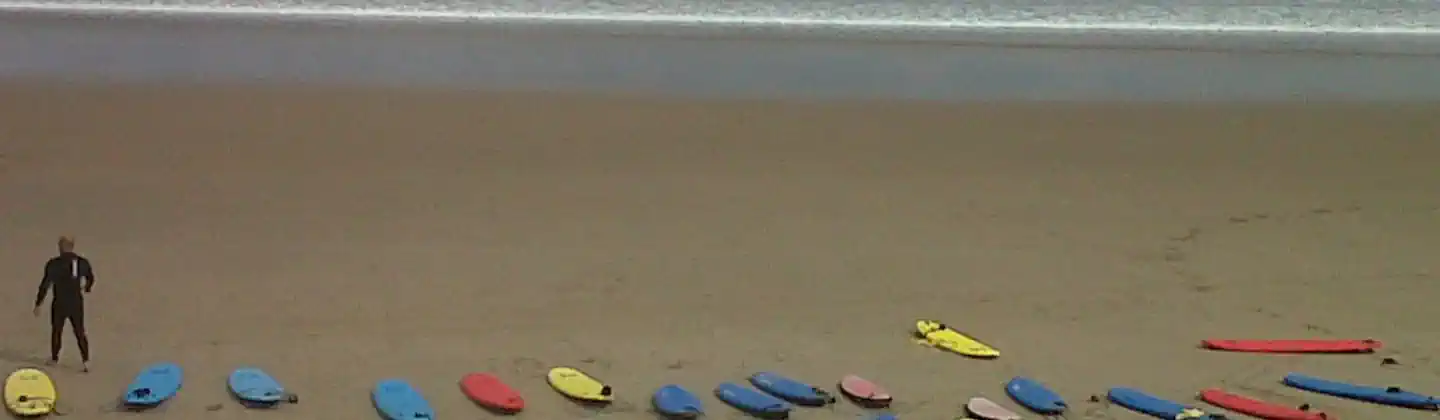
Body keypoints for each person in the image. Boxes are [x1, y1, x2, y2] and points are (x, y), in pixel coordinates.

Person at [33, 236, 94, 372]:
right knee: (79, 331)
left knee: (57, 331)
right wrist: (87, 288)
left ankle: (55, 358)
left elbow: (45, 284)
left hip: (60, 301)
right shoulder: (82, 262)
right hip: (76, 302)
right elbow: (90, 277)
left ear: (60, 247)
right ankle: (86, 361)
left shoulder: (54, 264)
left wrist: (39, 303)